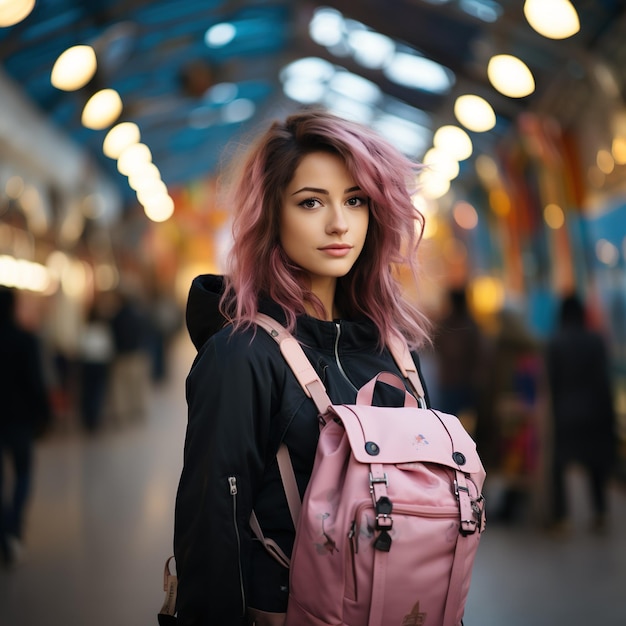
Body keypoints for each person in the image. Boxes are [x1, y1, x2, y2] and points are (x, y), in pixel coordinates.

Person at [173, 109, 431, 625]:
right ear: (272, 215)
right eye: (311, 202)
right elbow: (210, 539)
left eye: (355, 200)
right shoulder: (241, 357)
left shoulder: (396, 351)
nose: (339, 223)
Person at [546, 293, 617, 534]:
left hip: (565, 413)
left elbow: (552, 384)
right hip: (595, 412)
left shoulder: (555, 343)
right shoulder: (596, 341)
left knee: (559, 465)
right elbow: (604, 381)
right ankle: (600, 513)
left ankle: (561, 518)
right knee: (596, 463)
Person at [0, 287, 51, 567]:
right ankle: (14, 527)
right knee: (22, 474)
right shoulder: (24, 339)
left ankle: (4, 531)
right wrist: (44, 415)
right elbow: (35, 380)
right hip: (19, 419)